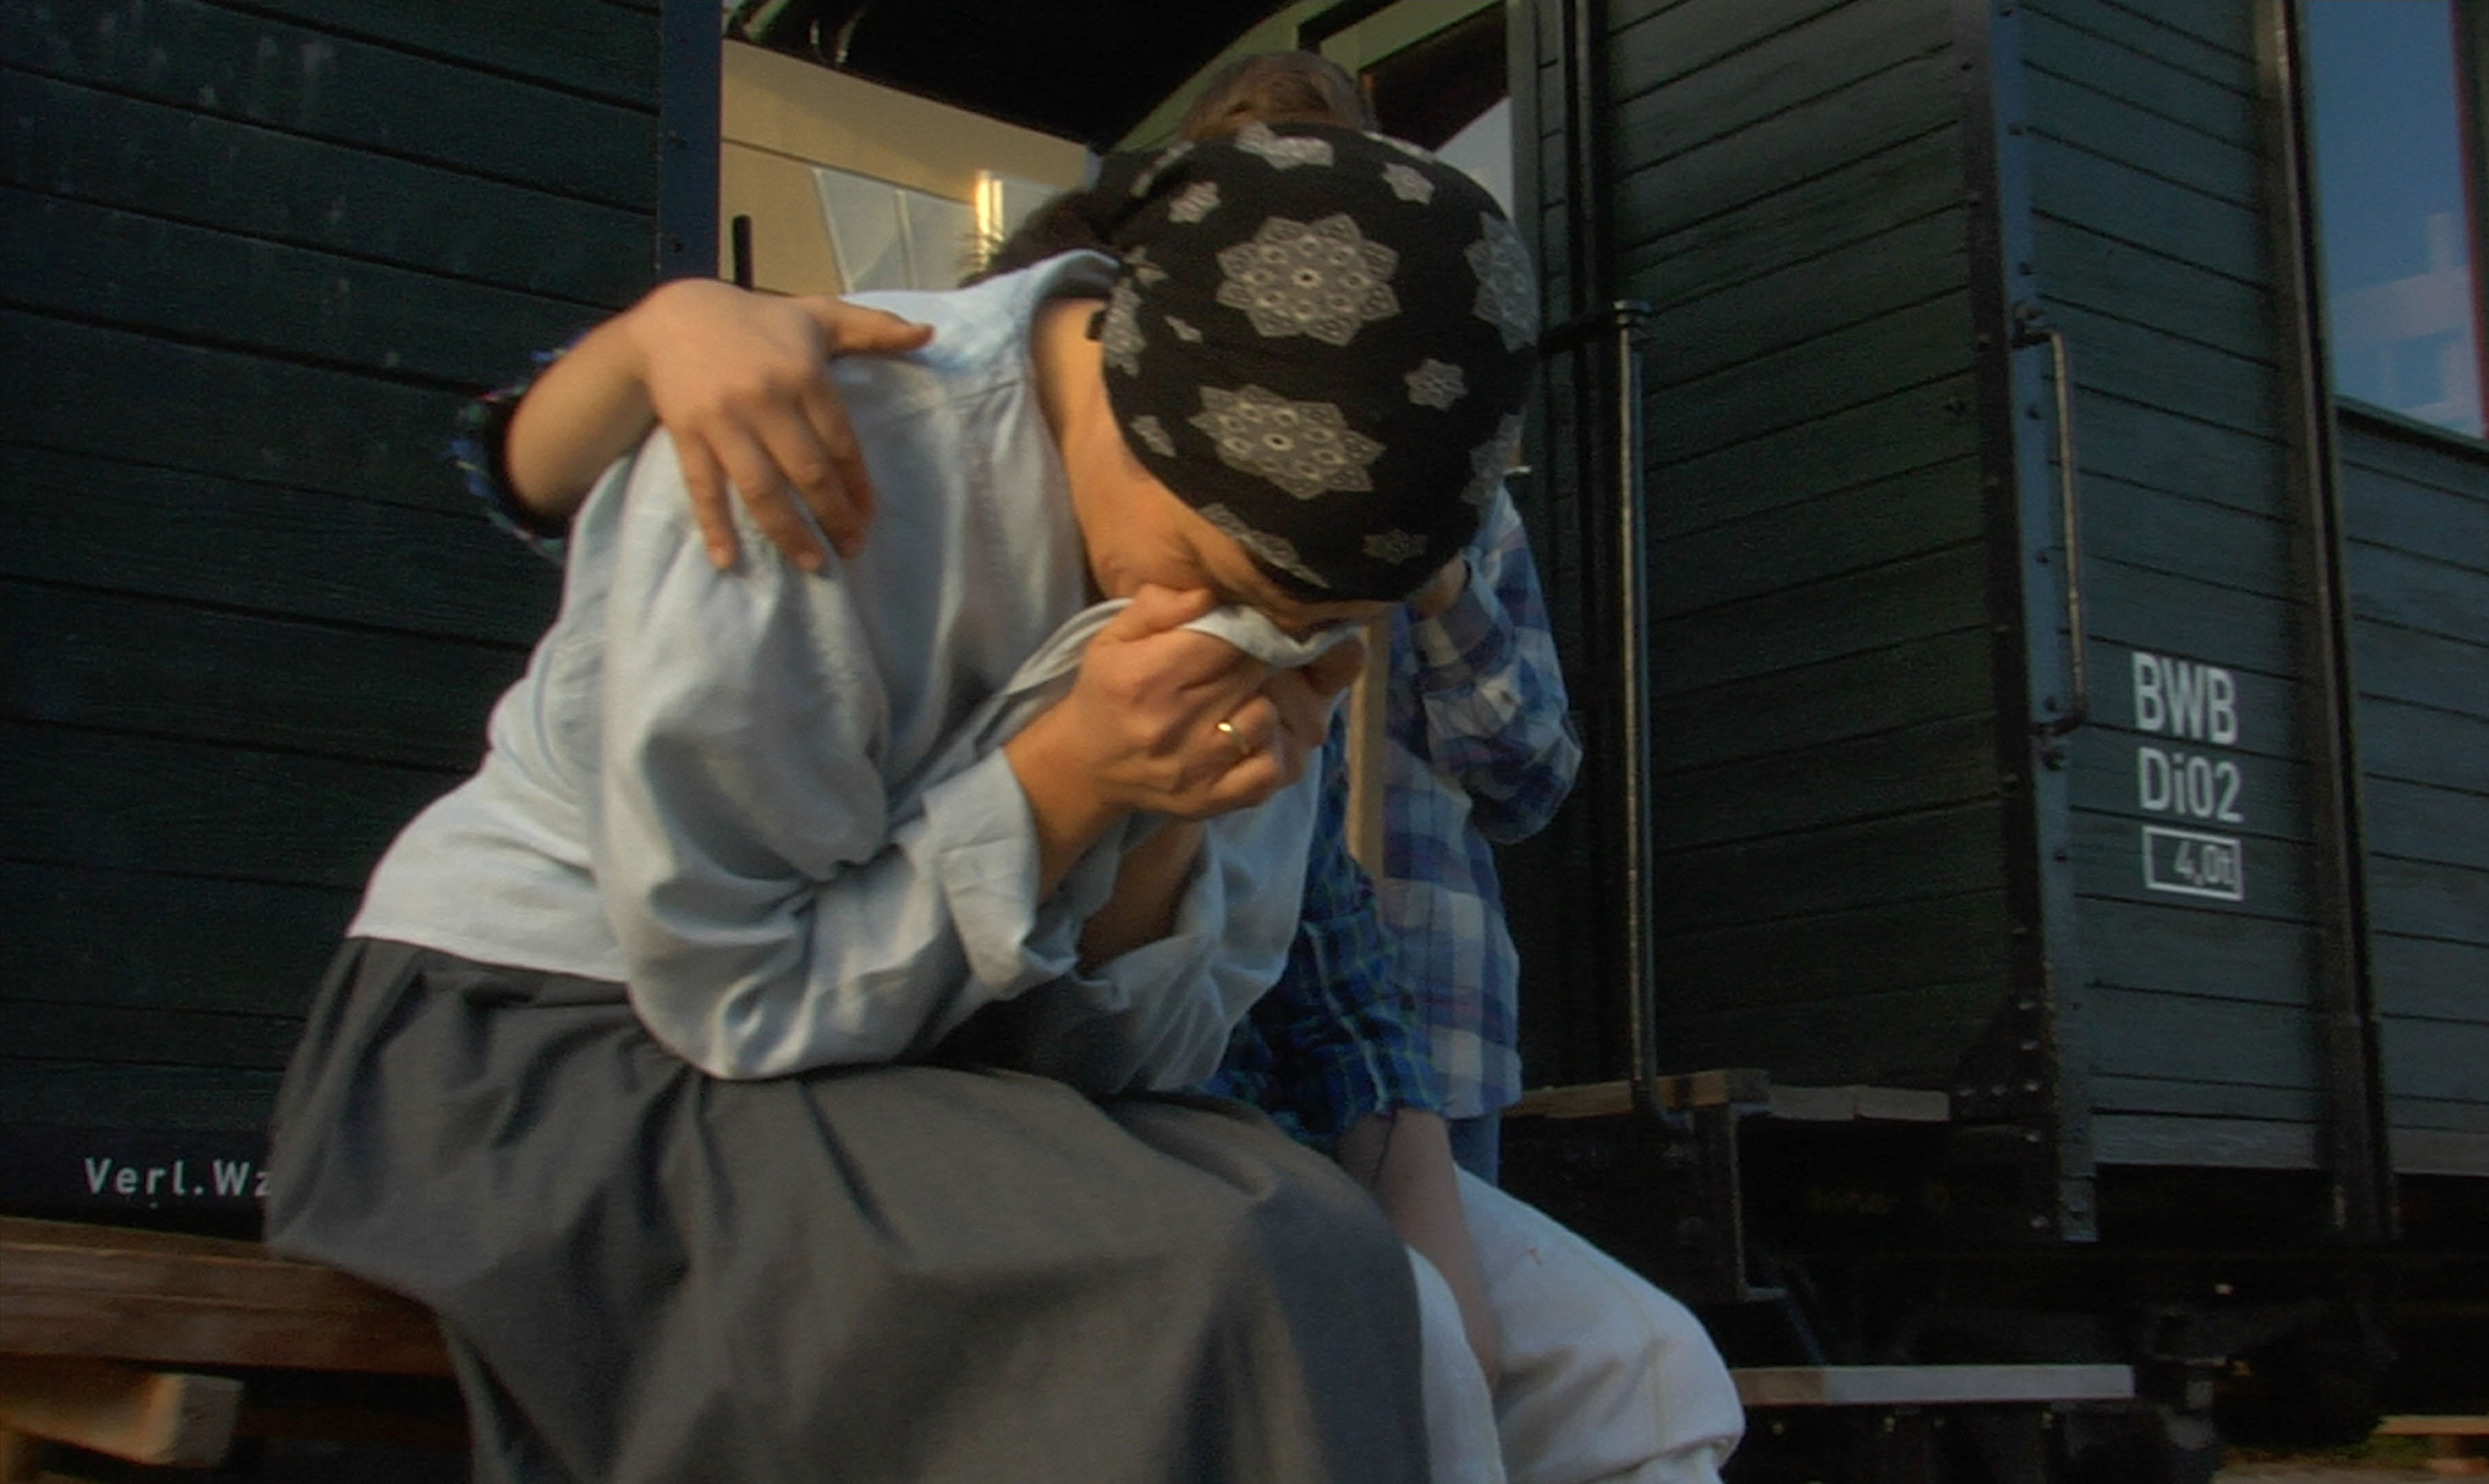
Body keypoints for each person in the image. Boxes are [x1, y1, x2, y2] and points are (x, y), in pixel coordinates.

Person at [462, 63, 1738, 1484]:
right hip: (796, 1057)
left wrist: (1175, 810)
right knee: (1315, 1301)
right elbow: (529, 483)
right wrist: (654, 338)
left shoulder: (1333, 573)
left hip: (1227, 1093)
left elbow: (1321, 964)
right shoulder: (911, 445)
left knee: (1611, 1356)